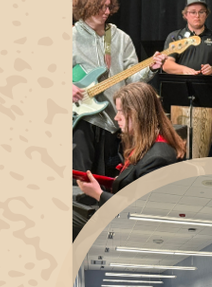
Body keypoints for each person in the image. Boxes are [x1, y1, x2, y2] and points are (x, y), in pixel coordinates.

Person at [72, 0, 160, 175]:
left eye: (108, 7)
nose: (106, 11)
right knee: (79, 178)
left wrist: (150, 69)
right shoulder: (71, 37)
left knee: (106, 179)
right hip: (80, 121)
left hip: (113, 119)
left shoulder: (121, 38)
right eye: (101, 7)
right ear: (86, 6)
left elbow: (131, 80)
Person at [75, 83, 186, 218]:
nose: (116, 118)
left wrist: (98, 194)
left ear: (137, 113)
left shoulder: (158, 158)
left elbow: (142, 210)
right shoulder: (148, 145)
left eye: (120, 111)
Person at [157, 0, 212, 157]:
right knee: (180, 138)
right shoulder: (175, 37)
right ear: (185, 15)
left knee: (206, 141)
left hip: (206, 97)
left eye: (201, 12)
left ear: (207, 14)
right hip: (180, 96)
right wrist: (186, 71)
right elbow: (167, 64)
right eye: (193, 12)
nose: (197, 16)